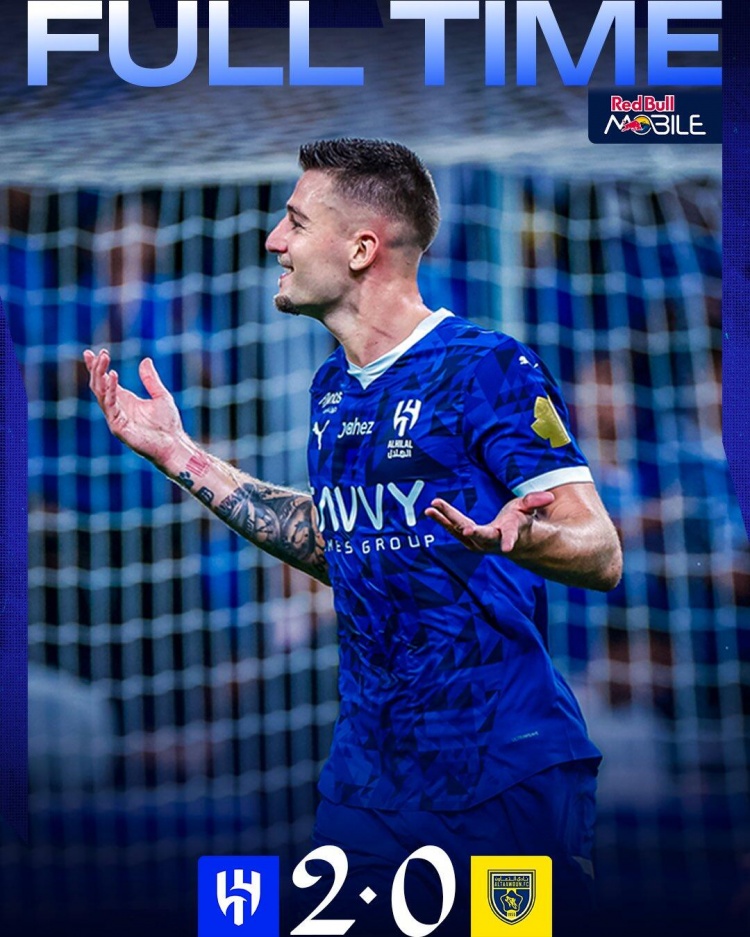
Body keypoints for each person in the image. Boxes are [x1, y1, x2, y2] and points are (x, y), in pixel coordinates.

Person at [84, 138, 622, 935]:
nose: (274, 239)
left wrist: (518, 539)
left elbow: (600, 548)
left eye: (296, 222)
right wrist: (182, 456)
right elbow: (339, 540)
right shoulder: (332, 388)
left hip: (502, 768)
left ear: (362, 248)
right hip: (368, 782)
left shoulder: (486, 368)